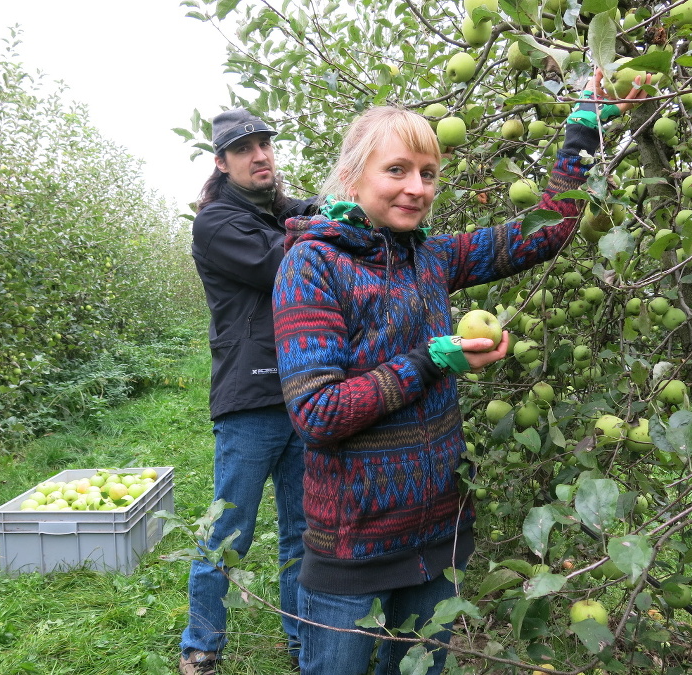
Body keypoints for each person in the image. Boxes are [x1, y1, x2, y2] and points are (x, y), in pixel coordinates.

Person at [272, 70, 650, 675]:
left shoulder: (432, 256)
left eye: (427, 174)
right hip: (353, 548)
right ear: (352, 175)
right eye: (396, 170)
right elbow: (318, 414)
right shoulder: (311, 265)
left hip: (436, 539)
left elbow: (546, 232)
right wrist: (430, 359)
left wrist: (583, 129)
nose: (416, 188)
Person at [180, 108, 313, 675]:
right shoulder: (216, 223)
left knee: (303, 532)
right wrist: (330, 223)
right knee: (228, 531)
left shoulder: (279, 211)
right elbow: (282, 263)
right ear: (221, 162)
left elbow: (313, 215)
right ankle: (202, 645)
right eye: (244, 148)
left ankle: (303, 639)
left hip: (305, 390)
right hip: (251, 399)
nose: (260, 155)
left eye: (265, 145)